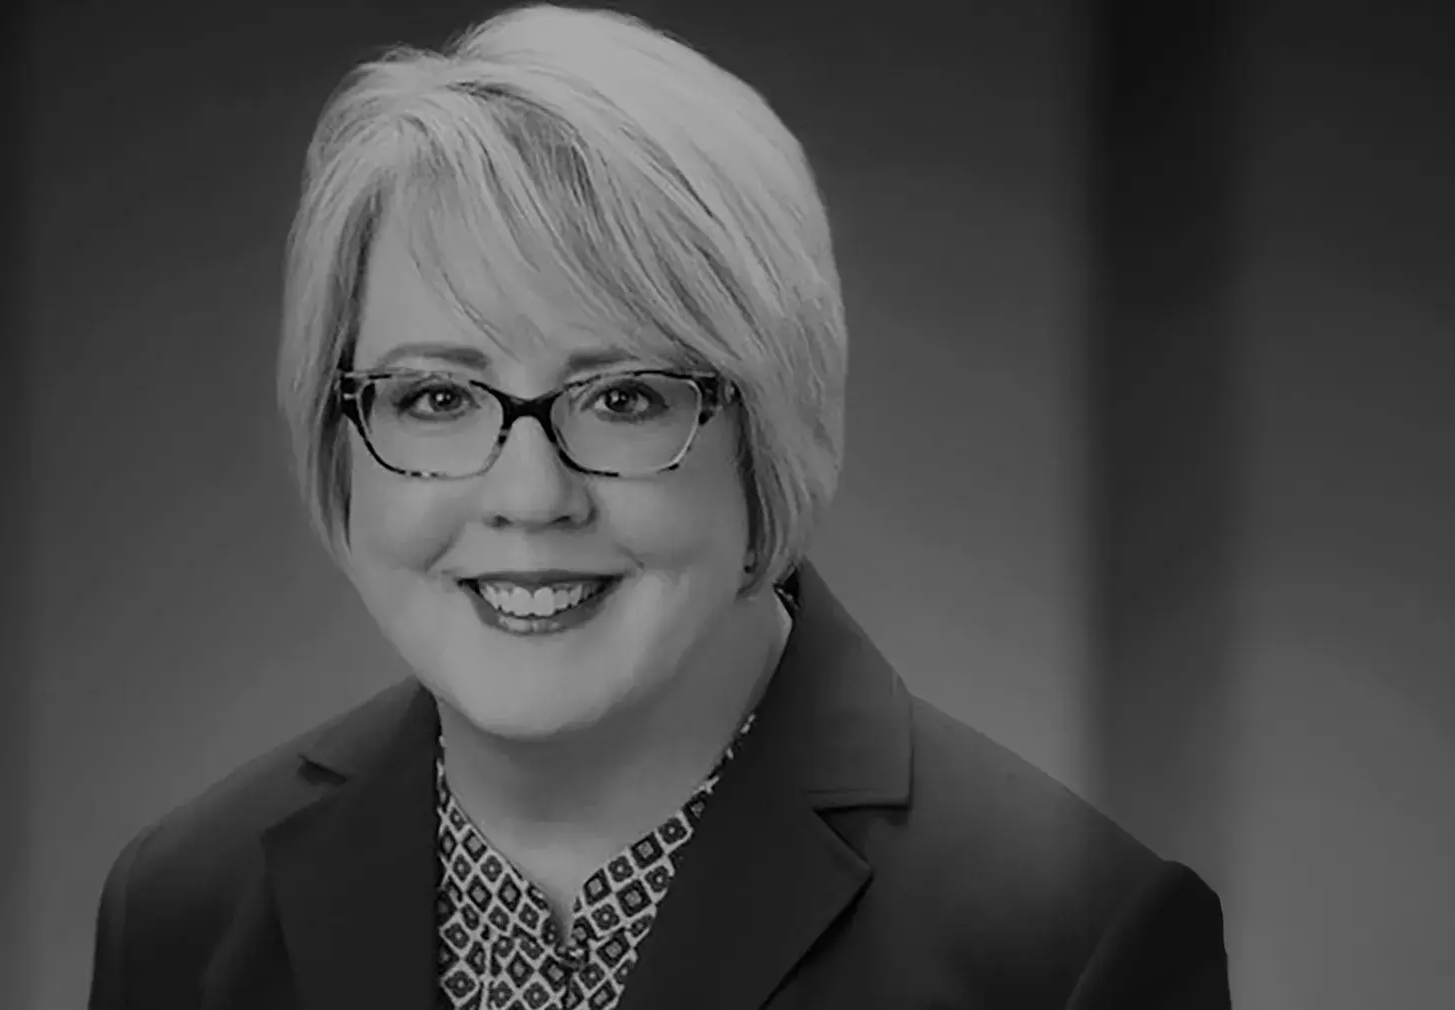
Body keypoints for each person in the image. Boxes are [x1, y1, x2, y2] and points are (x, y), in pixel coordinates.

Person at [85, 5, 1232, 1008]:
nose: (528, 494)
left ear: (764, 425)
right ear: (338, 436)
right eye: (434, 394)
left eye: (621, 396)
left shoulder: (1071, 951)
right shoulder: (185, 914)